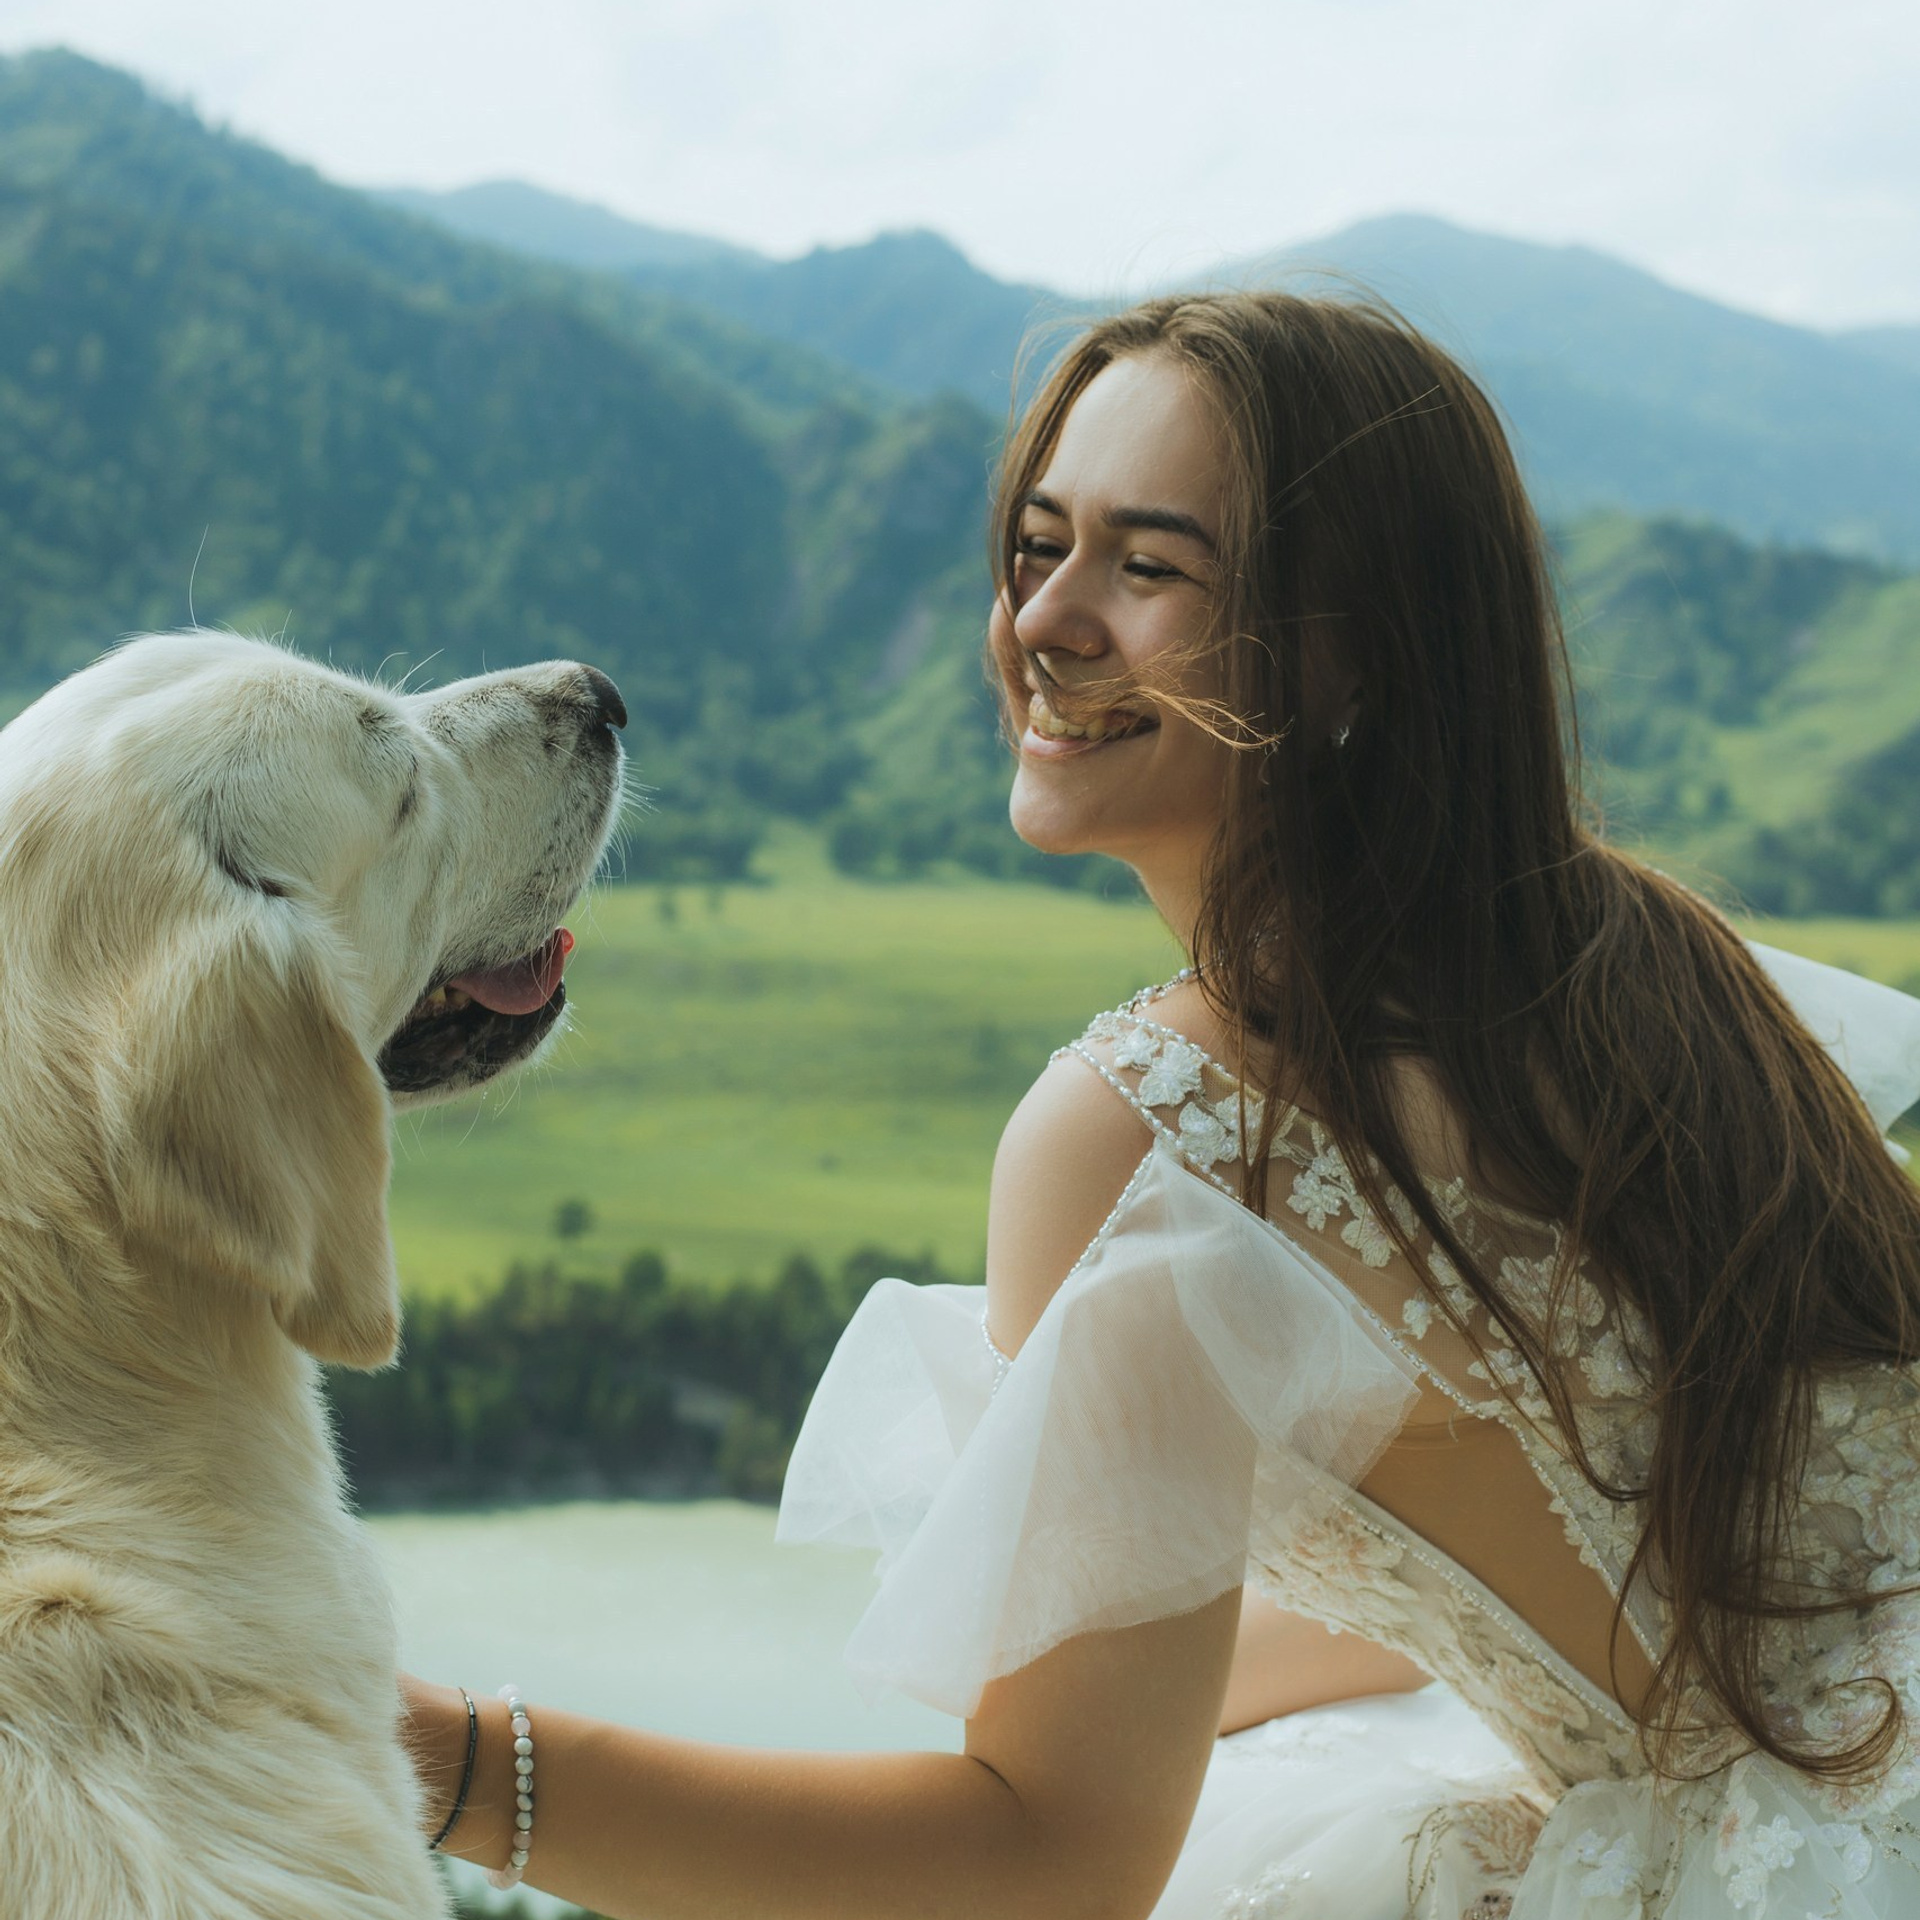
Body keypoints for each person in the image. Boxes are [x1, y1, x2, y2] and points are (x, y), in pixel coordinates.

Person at [402, 291, 1920, 1918]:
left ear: (1352, 650)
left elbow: (1042, 1864)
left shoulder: (1149, 1131)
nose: (1044, 621)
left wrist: (425, 1758)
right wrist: (1119, 1677)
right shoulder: (1634, 952)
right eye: (1037, 545)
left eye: (1148, 567)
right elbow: (1574, 1552)